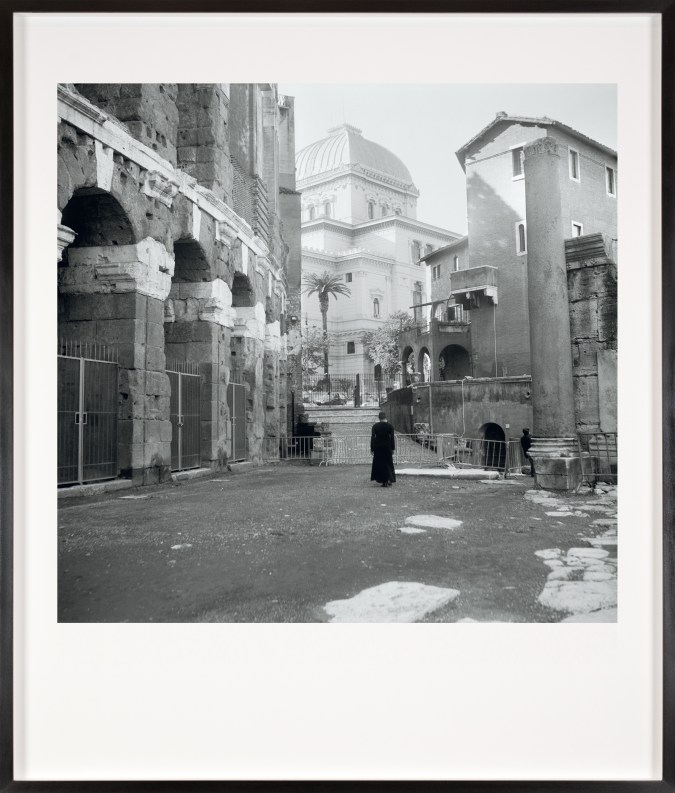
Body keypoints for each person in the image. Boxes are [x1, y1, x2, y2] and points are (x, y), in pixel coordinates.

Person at [371, 411, 396, 487]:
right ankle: (389, 479)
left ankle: (383, 481)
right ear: (385, 417)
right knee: (388, 463)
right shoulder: (390, 426)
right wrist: (393, 448)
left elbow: (373, 438)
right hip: (387, 447)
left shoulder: (375, 426)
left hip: (378, 447)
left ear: (379, 418)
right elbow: (392, 438)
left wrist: (372, 448)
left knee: (380, 463)